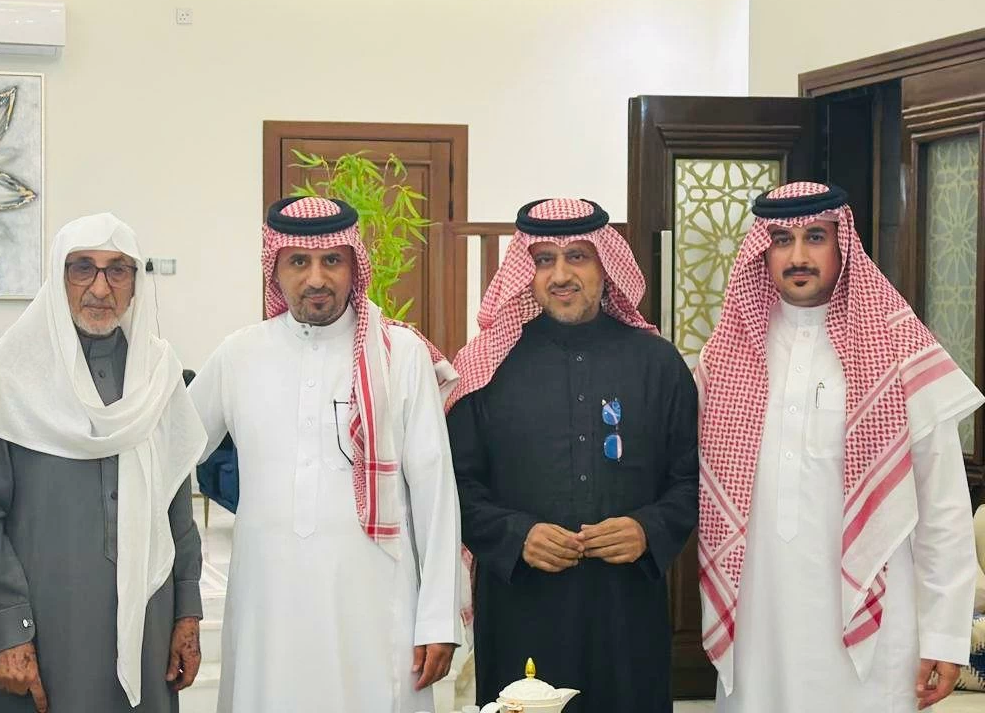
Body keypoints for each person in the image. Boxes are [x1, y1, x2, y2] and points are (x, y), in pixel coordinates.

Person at [697, 182, 983, 712]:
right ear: (763, 251)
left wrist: (945, 636)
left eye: (815, 237)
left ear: (842, 243)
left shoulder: (898, 351)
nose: (798, 256)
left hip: (874, 627)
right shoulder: (729, 355)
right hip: (759, 619)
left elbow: (943, 506)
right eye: (782, 239)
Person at [188, 196, 463, 712]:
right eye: (299, 261)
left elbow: (436, 493)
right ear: (275, 269)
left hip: (376, 604)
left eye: (332, 260)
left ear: (354, 266)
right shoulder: (240, 354)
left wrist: (438, 619)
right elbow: (168, 453)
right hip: (268, 605)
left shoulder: (400, 355)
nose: (316, 278)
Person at [446, 198, 698, 713]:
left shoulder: (658, 364)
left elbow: (692, 479)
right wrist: (517, 536)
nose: (560, 275)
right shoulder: (485, 369)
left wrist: (647, 529)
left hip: (626, 609)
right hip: (522, 606)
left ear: (606, 266)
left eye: (577, 256)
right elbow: (454, 486)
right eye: (544, 260)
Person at [0, 213, 206, 712]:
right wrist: (10, 627)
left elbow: (176, 506)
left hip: (149, 618)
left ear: (135, 283)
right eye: (82, 268)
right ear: (58, 277)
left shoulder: (158, 376)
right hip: (41, 626)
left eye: (117, 270)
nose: (100, 287)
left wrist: (187, 611)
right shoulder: (8, 376)